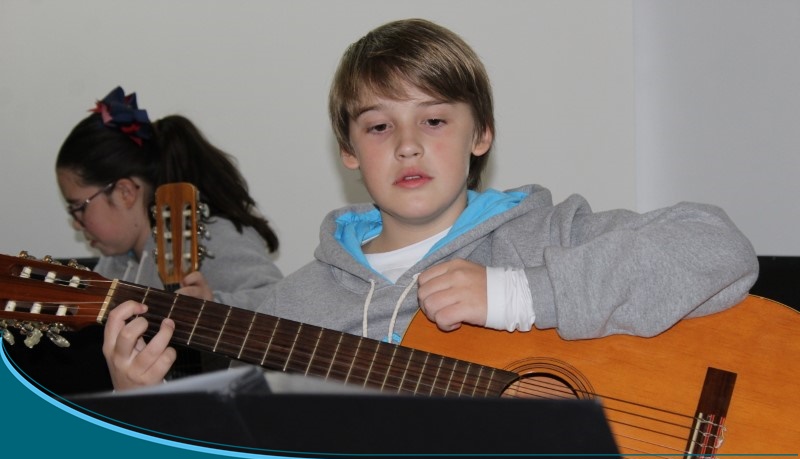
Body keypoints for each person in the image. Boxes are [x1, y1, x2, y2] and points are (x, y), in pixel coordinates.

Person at [102, 19, 758, 391]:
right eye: (379, 126)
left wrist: (517, 295)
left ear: (482, 135)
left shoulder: (540, 236)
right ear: (349, 151)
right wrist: (139, 399)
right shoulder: (291, 310)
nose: (408, 145)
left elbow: (718, 246)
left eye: (435, 120)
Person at [10, 87, 283, 392]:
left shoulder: (208, 237)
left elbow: (281, 307)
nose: (76, 223)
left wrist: (213, 308)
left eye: (78, 207)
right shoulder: (114, 265)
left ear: (125, 192)